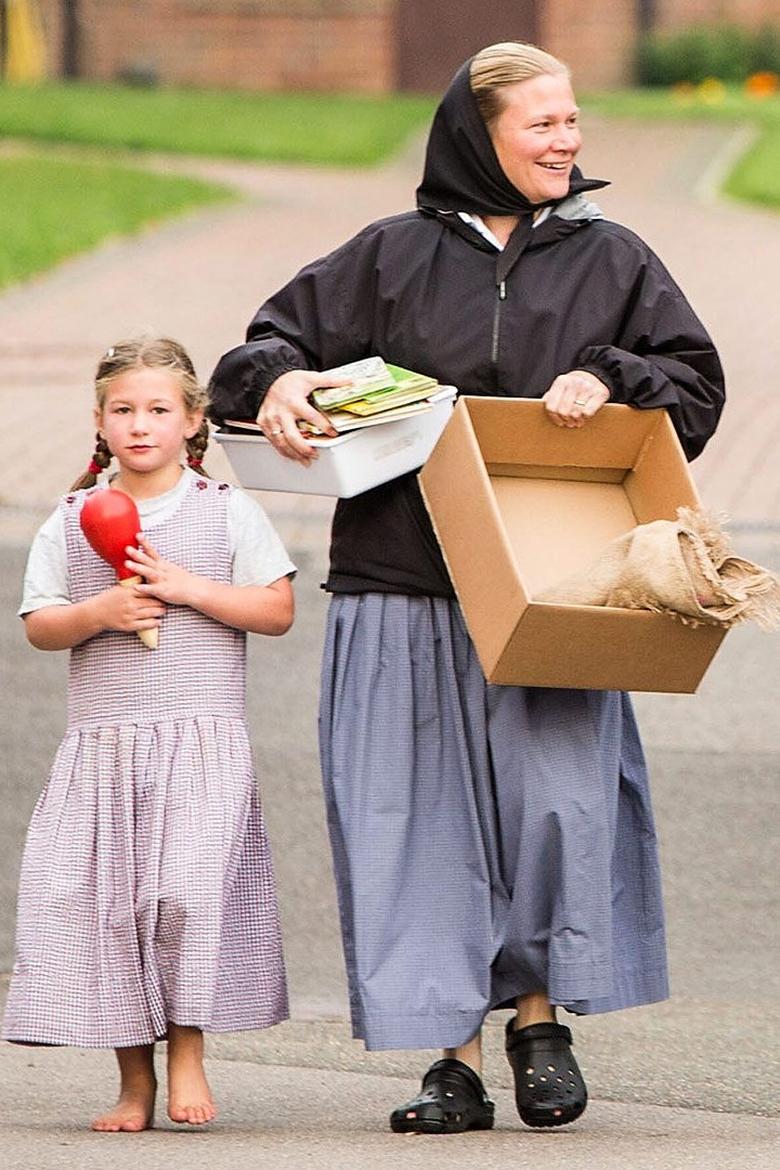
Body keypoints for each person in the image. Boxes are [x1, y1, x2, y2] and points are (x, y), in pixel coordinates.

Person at [209, 42, 725, 1134]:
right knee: (417, 822)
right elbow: (257, 352)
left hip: (559, 596)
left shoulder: (613, 258)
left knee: (554, 809)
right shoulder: (389, 257)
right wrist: (289, 382)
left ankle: (540, 1022)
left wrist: (611, 376)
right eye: (543, 124)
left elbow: (693, 386)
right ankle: (454, 1058)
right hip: (399, 585)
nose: (568, 140)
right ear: (477, 135)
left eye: (572, 121)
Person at [2, 337, 295, 1132]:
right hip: (105, 747)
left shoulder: (226, 510)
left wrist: (188, 588)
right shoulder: (73, 518)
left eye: (159, 410)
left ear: (193, 420)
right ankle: (134, 1083)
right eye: (123, 410)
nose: (141, 425)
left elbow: (276, 610)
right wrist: (100, 613)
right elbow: (40, 625)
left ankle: (189, 1051)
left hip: (201, 748)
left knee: (183, 899)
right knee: (110, 909)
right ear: (99, 421)